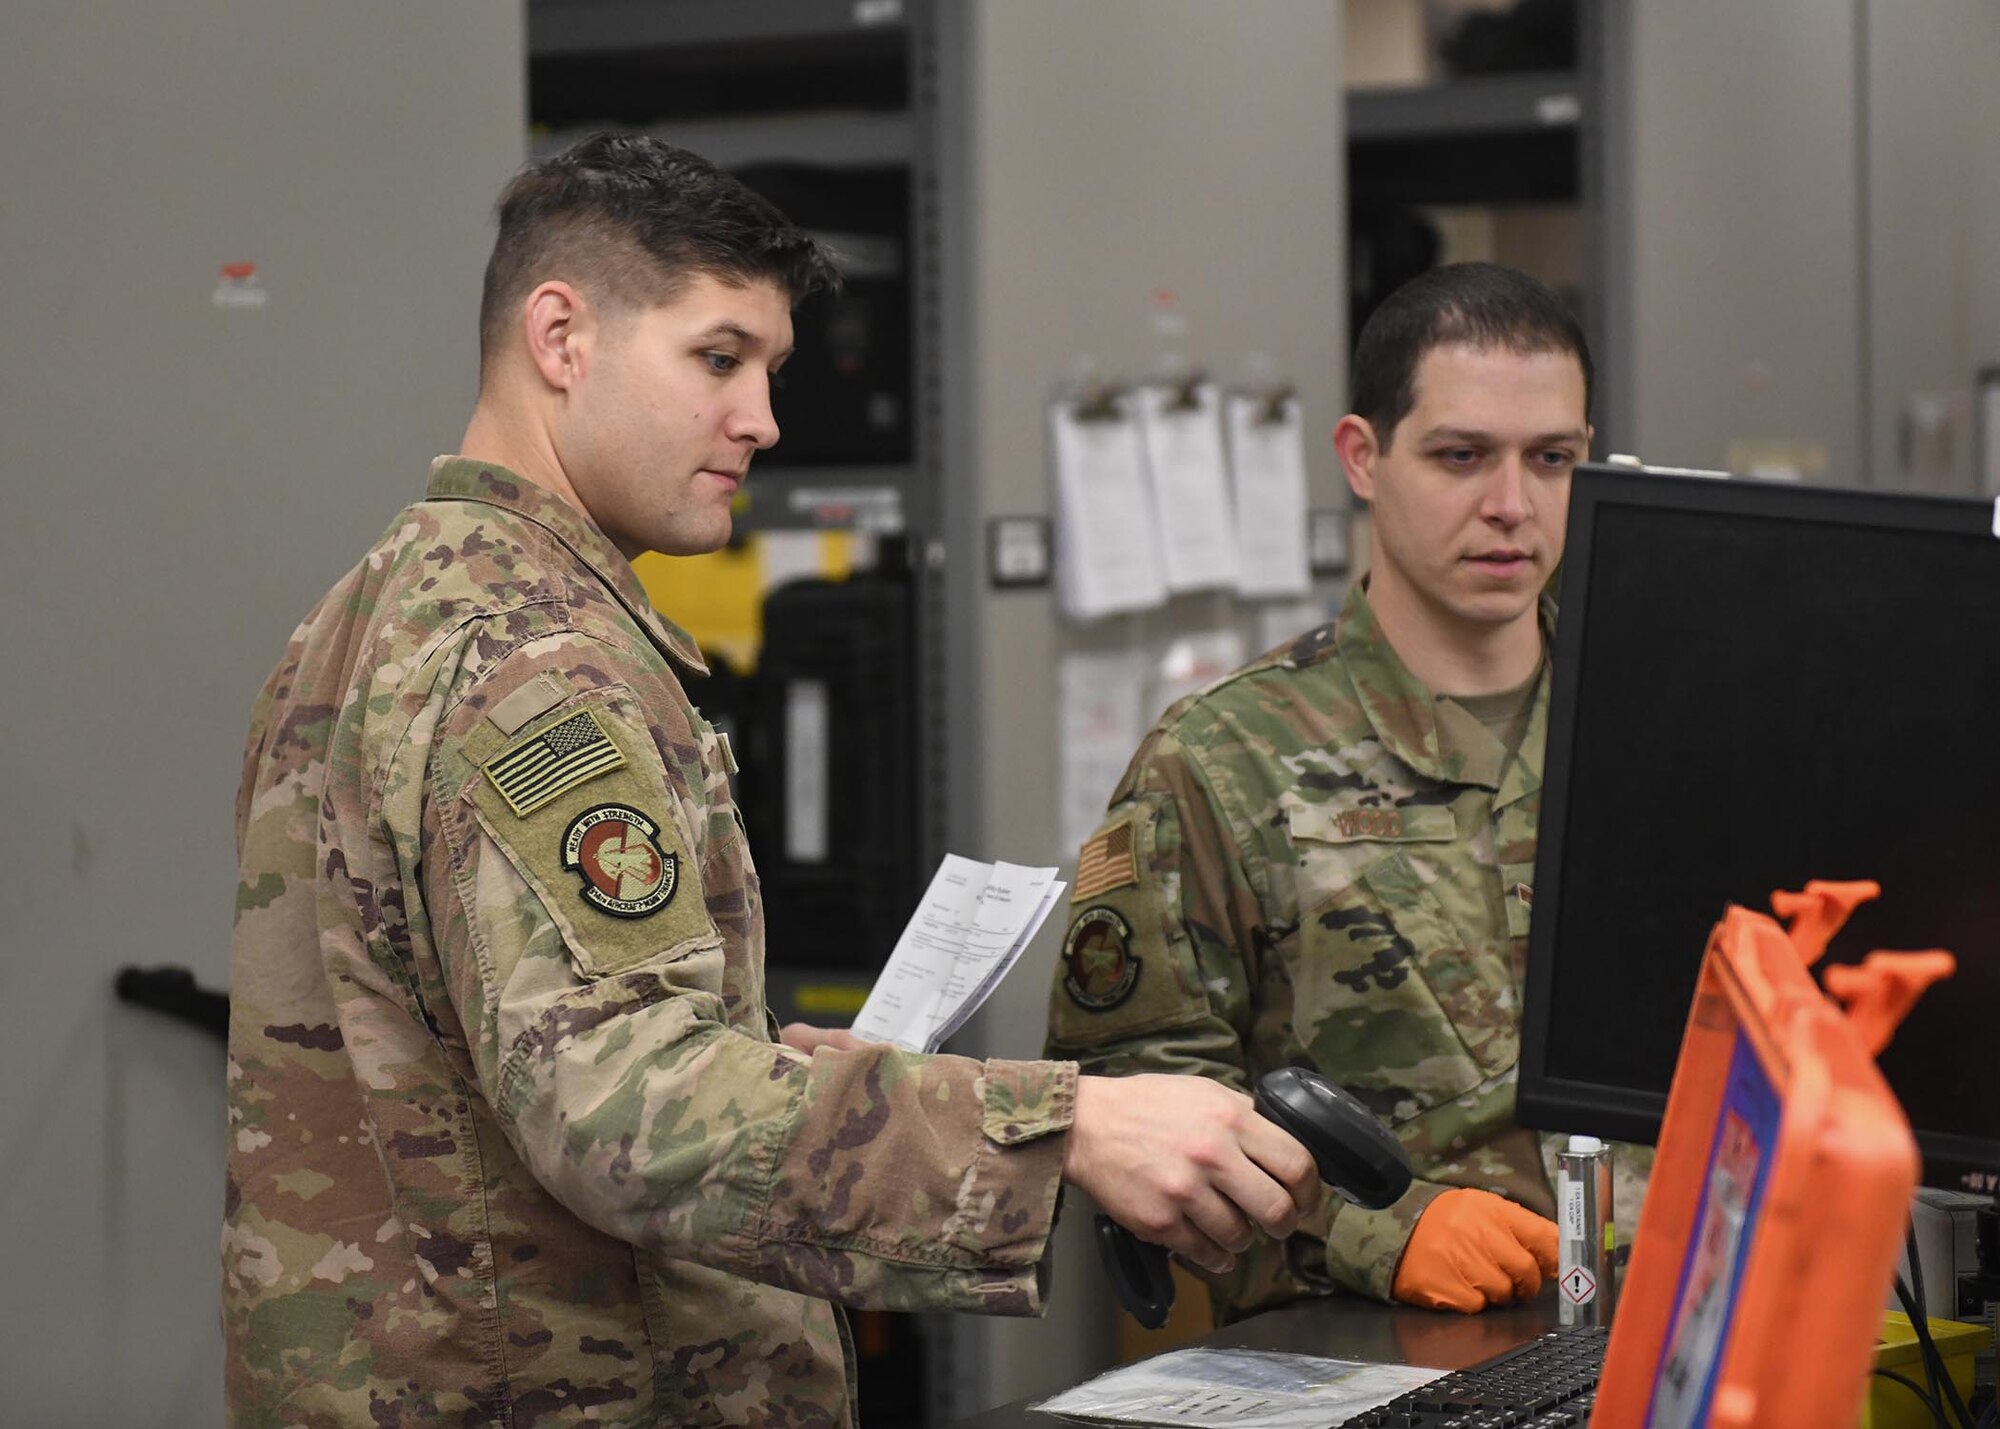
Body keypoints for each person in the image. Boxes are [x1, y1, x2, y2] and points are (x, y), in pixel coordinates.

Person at [224, 133, 1322, 1428]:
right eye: (717, 359)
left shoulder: (373, 609)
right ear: (561, 338)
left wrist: (803, 1080)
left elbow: (497, 1063)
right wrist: (1060, 1128)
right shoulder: (535, 668)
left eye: (773, 370)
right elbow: (622, 1106)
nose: (764, 418)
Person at [1046, 262, 1645, 1320]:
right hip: (1376, 1340)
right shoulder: (1223, 755)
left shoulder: (1661, 722)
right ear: (1362, 458)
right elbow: (1134, 1109)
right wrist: (1371, 1226)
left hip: (1670, 1328)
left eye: (1548, 460)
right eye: (1460, 457)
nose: (1510, 505)